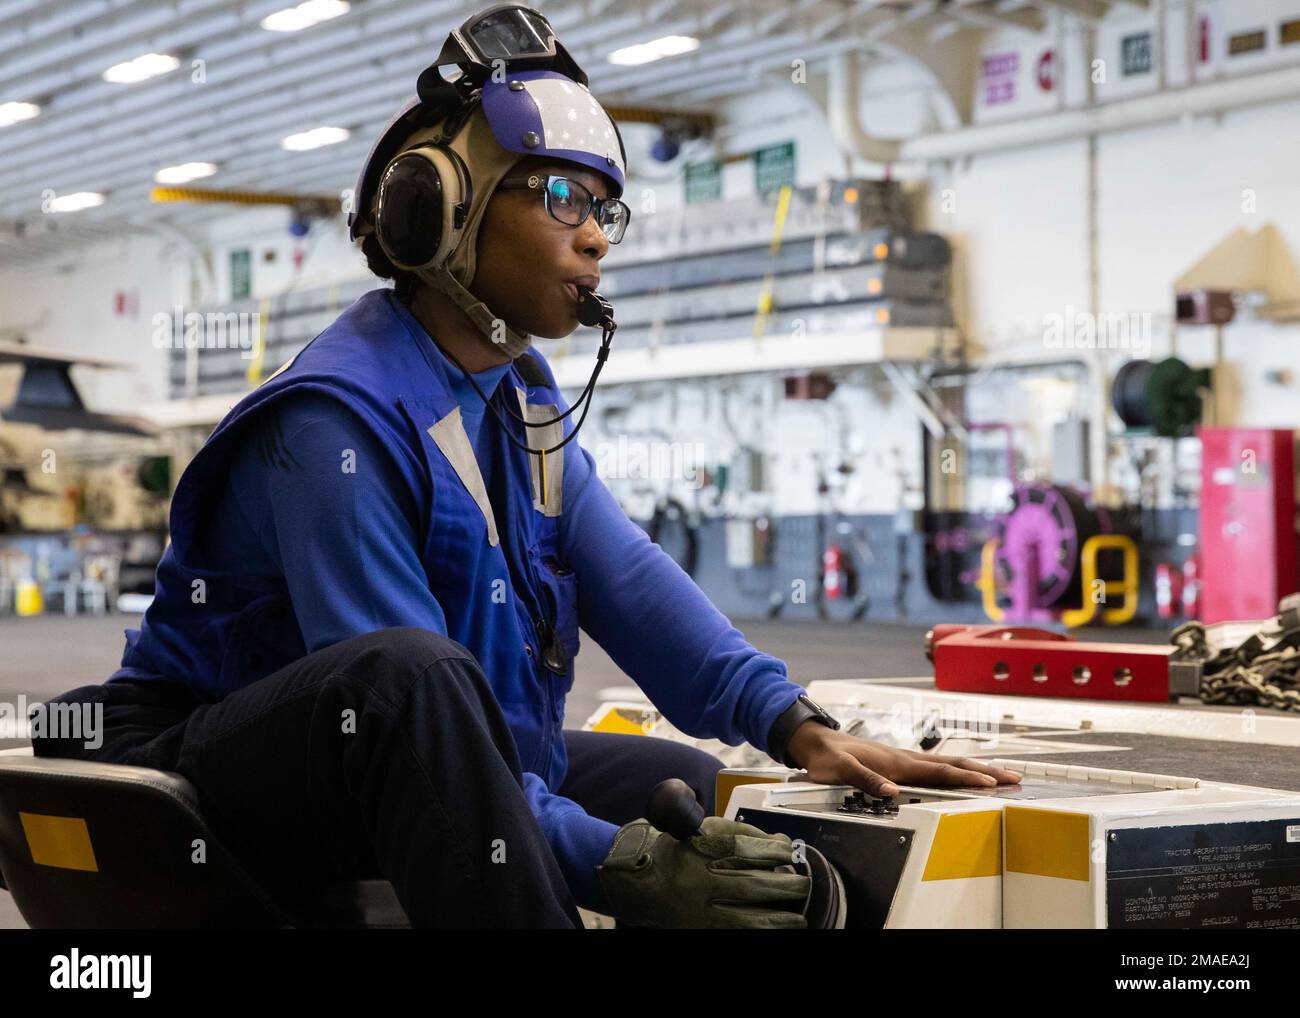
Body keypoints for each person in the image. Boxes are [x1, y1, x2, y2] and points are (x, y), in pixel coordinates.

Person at [32, 4, 1019, 929]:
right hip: (215, 766)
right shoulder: (331, 426)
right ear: (440, 212)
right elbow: (395, 710)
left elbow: (627, 576)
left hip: (401, 751)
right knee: (411, 680)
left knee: (665, 778)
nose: (594, 235)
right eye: (560, 197)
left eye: (604, 210)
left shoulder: (523, 397)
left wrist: (796, 725)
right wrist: (624, 864)